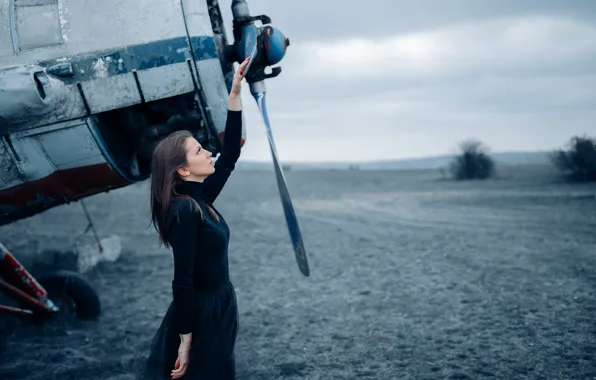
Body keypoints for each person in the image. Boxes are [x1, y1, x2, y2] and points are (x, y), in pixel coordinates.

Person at [142, 56, 251, 379]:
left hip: (221, 306)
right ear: (183, 169)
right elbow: (183, 279)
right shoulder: (185, 211)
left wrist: (234, 93)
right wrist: (185, 339)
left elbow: (230, 154)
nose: (207, 151)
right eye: (198, 150)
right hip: (202, 313)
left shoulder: (200, 200)